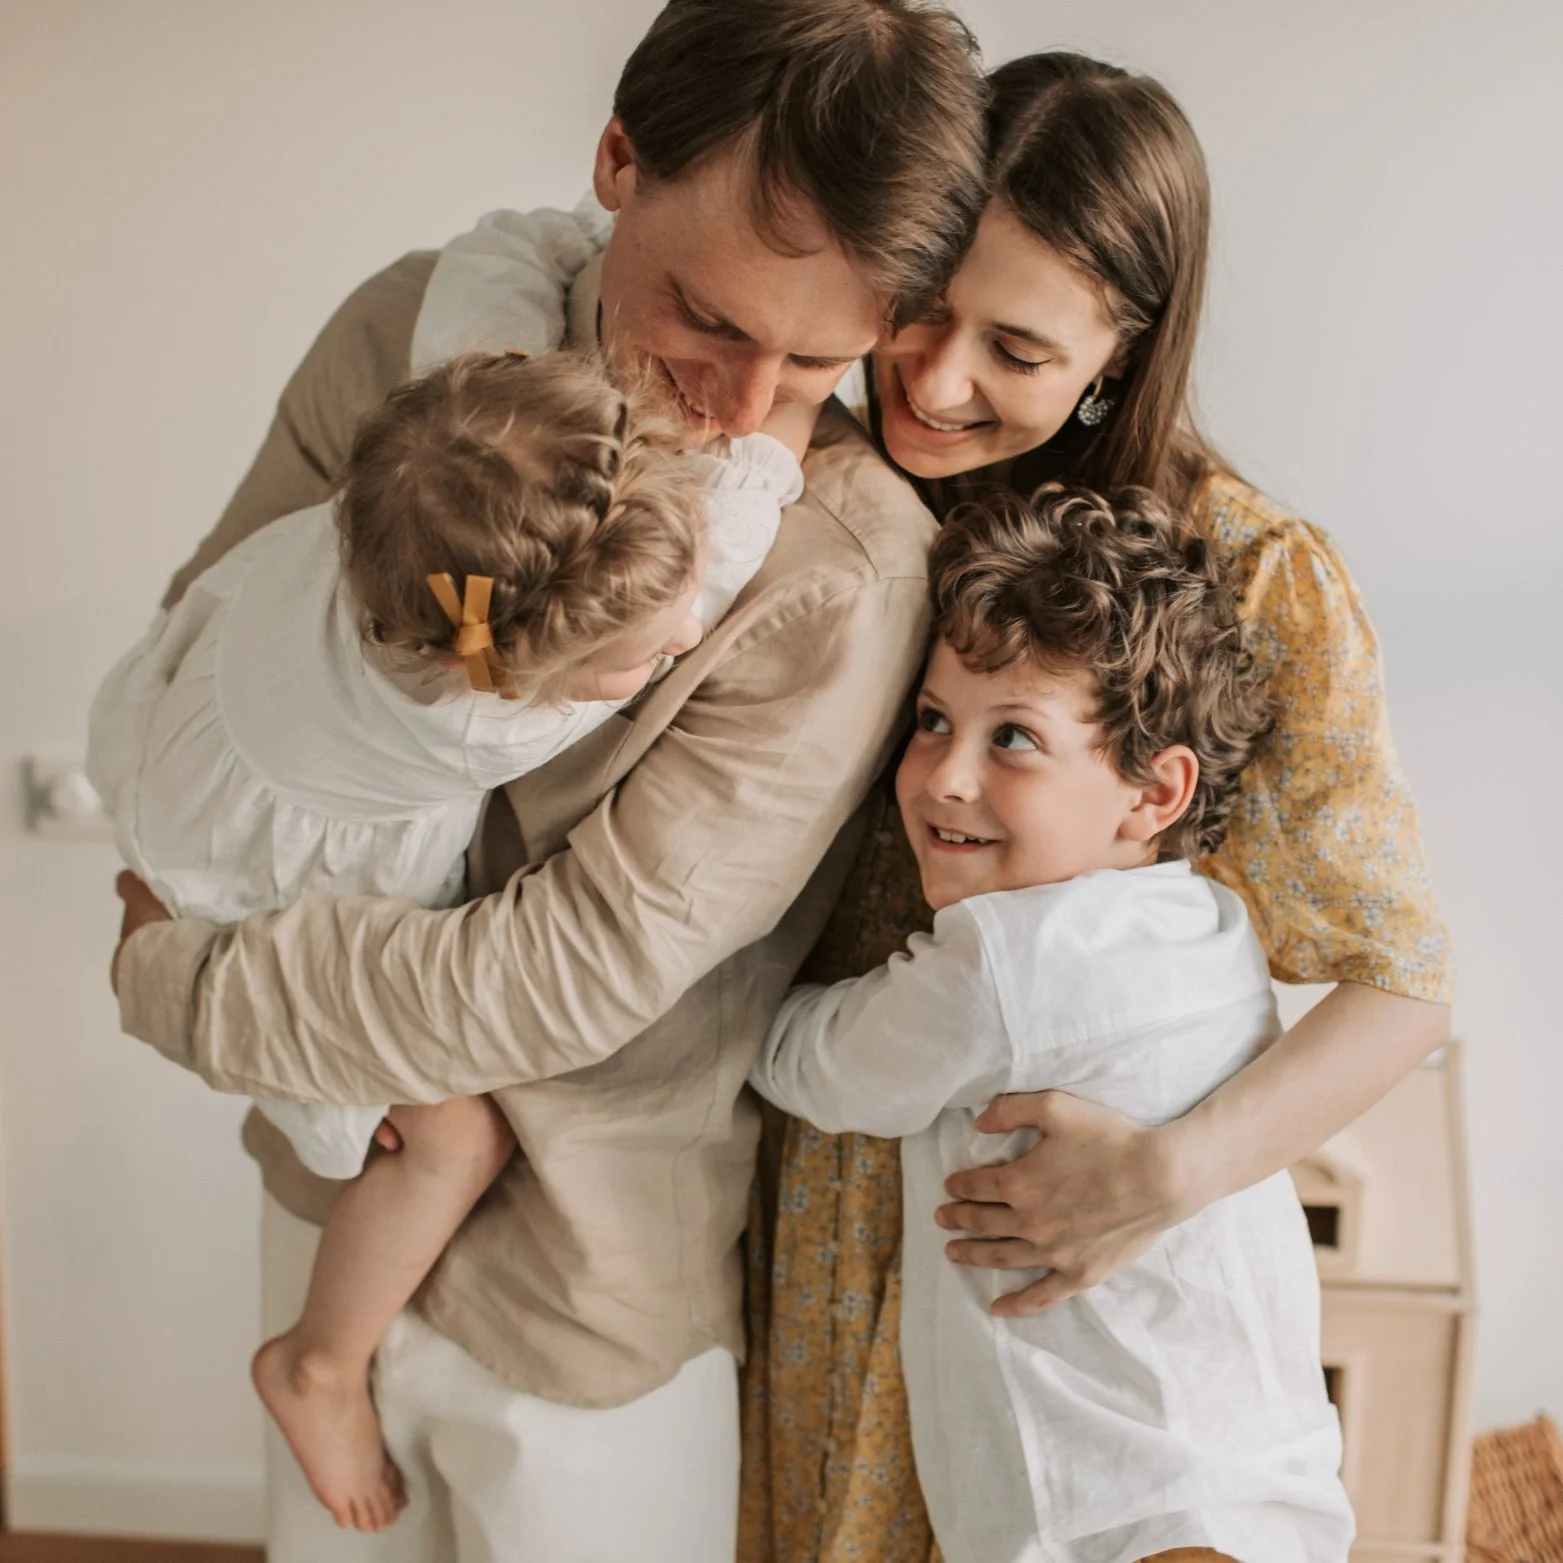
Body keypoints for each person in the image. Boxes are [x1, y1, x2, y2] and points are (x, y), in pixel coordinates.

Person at [107, 3, 989, 1559]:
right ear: (614, 160)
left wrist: (191, 983)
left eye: (817, 361)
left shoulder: (840, 570)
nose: (739, 405)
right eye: (704, 320)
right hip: (331, 1207)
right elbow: (215, 630)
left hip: (588, 1296)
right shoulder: (402, 333)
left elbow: (573, 968)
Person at [740, 52, 1453, 1563]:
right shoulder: (808, 490)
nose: (931, 381)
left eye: (1011, 343)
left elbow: (1399, 987)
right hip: (821, 1227)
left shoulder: (1249, 581)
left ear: (1118, 353)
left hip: (1077, 1272)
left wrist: (1159, 1176)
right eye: (919, 308)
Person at [89, 346, 813, 1532]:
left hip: (182, 761)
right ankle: (317, 1363)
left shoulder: (393, 524)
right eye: (644, 660)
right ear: (510, 680)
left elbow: (493, 284)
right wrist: (789, 402)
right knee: (449, 1136)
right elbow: (722, 559)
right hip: (246, 877)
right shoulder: (471, 719)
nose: (685, 638)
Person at [751, 485, 1354, 1563]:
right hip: (1258, 1474)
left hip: (1106, 1506)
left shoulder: (1007, 963)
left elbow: (817, 1065)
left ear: (1149, 793)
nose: (948, 776)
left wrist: (747, 986)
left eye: (1014, 737)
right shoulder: (1212, 925)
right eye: (933, 721)